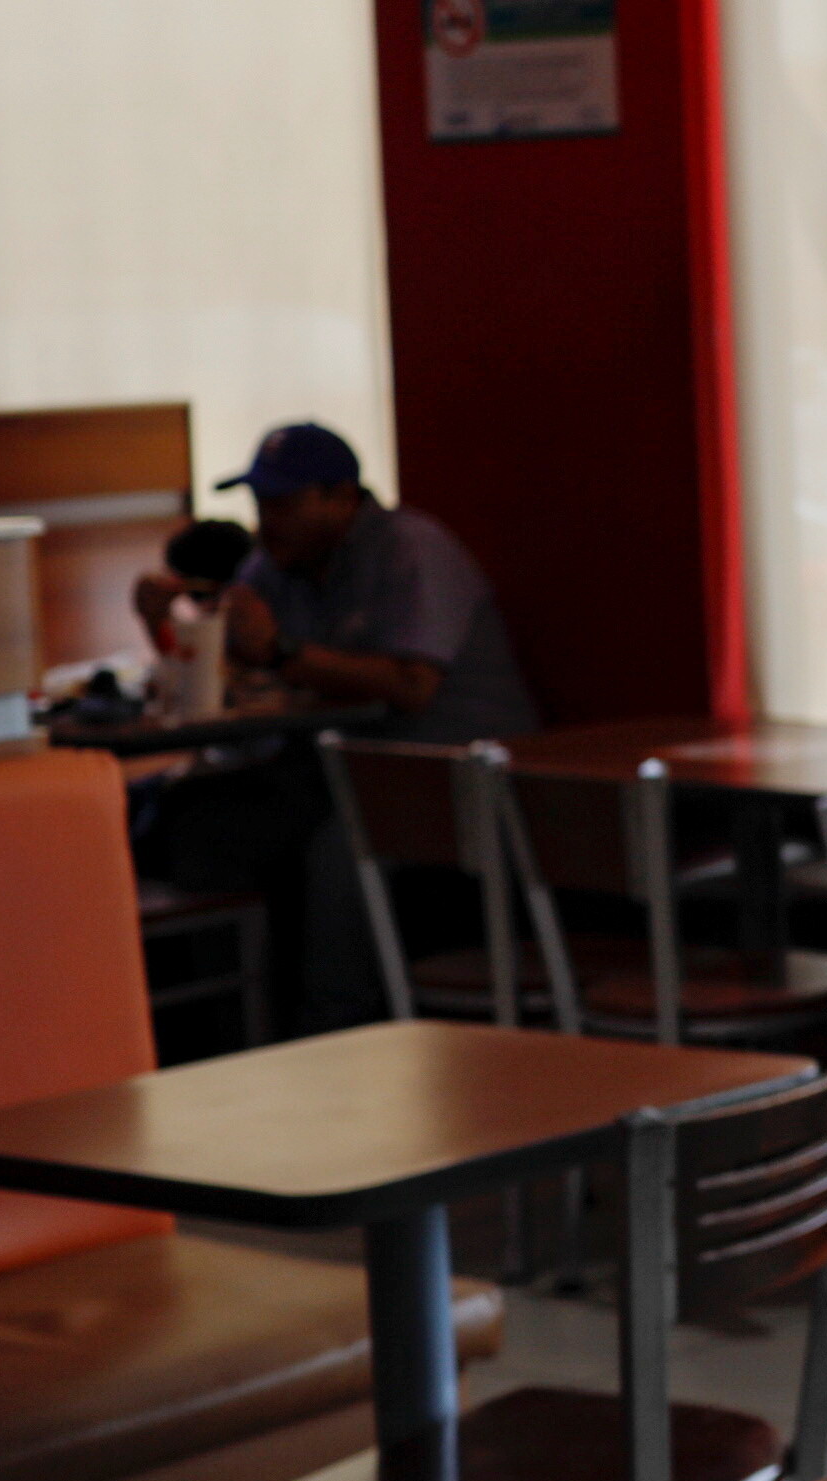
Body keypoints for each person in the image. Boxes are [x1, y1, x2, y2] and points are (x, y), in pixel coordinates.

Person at [127, 422, 543, 1033]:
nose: (268, 522)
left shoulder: (410, 548)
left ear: (343, 497)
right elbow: (226, 685)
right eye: (260, 505)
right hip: (338, 767)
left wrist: (279, 652)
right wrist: (165, 626)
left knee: (337, 853)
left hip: (452, 771)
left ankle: (335, 1035)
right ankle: (229, 1031)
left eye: (285, 504)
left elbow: (410, 685)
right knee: (196, 817)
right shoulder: (275, 567)